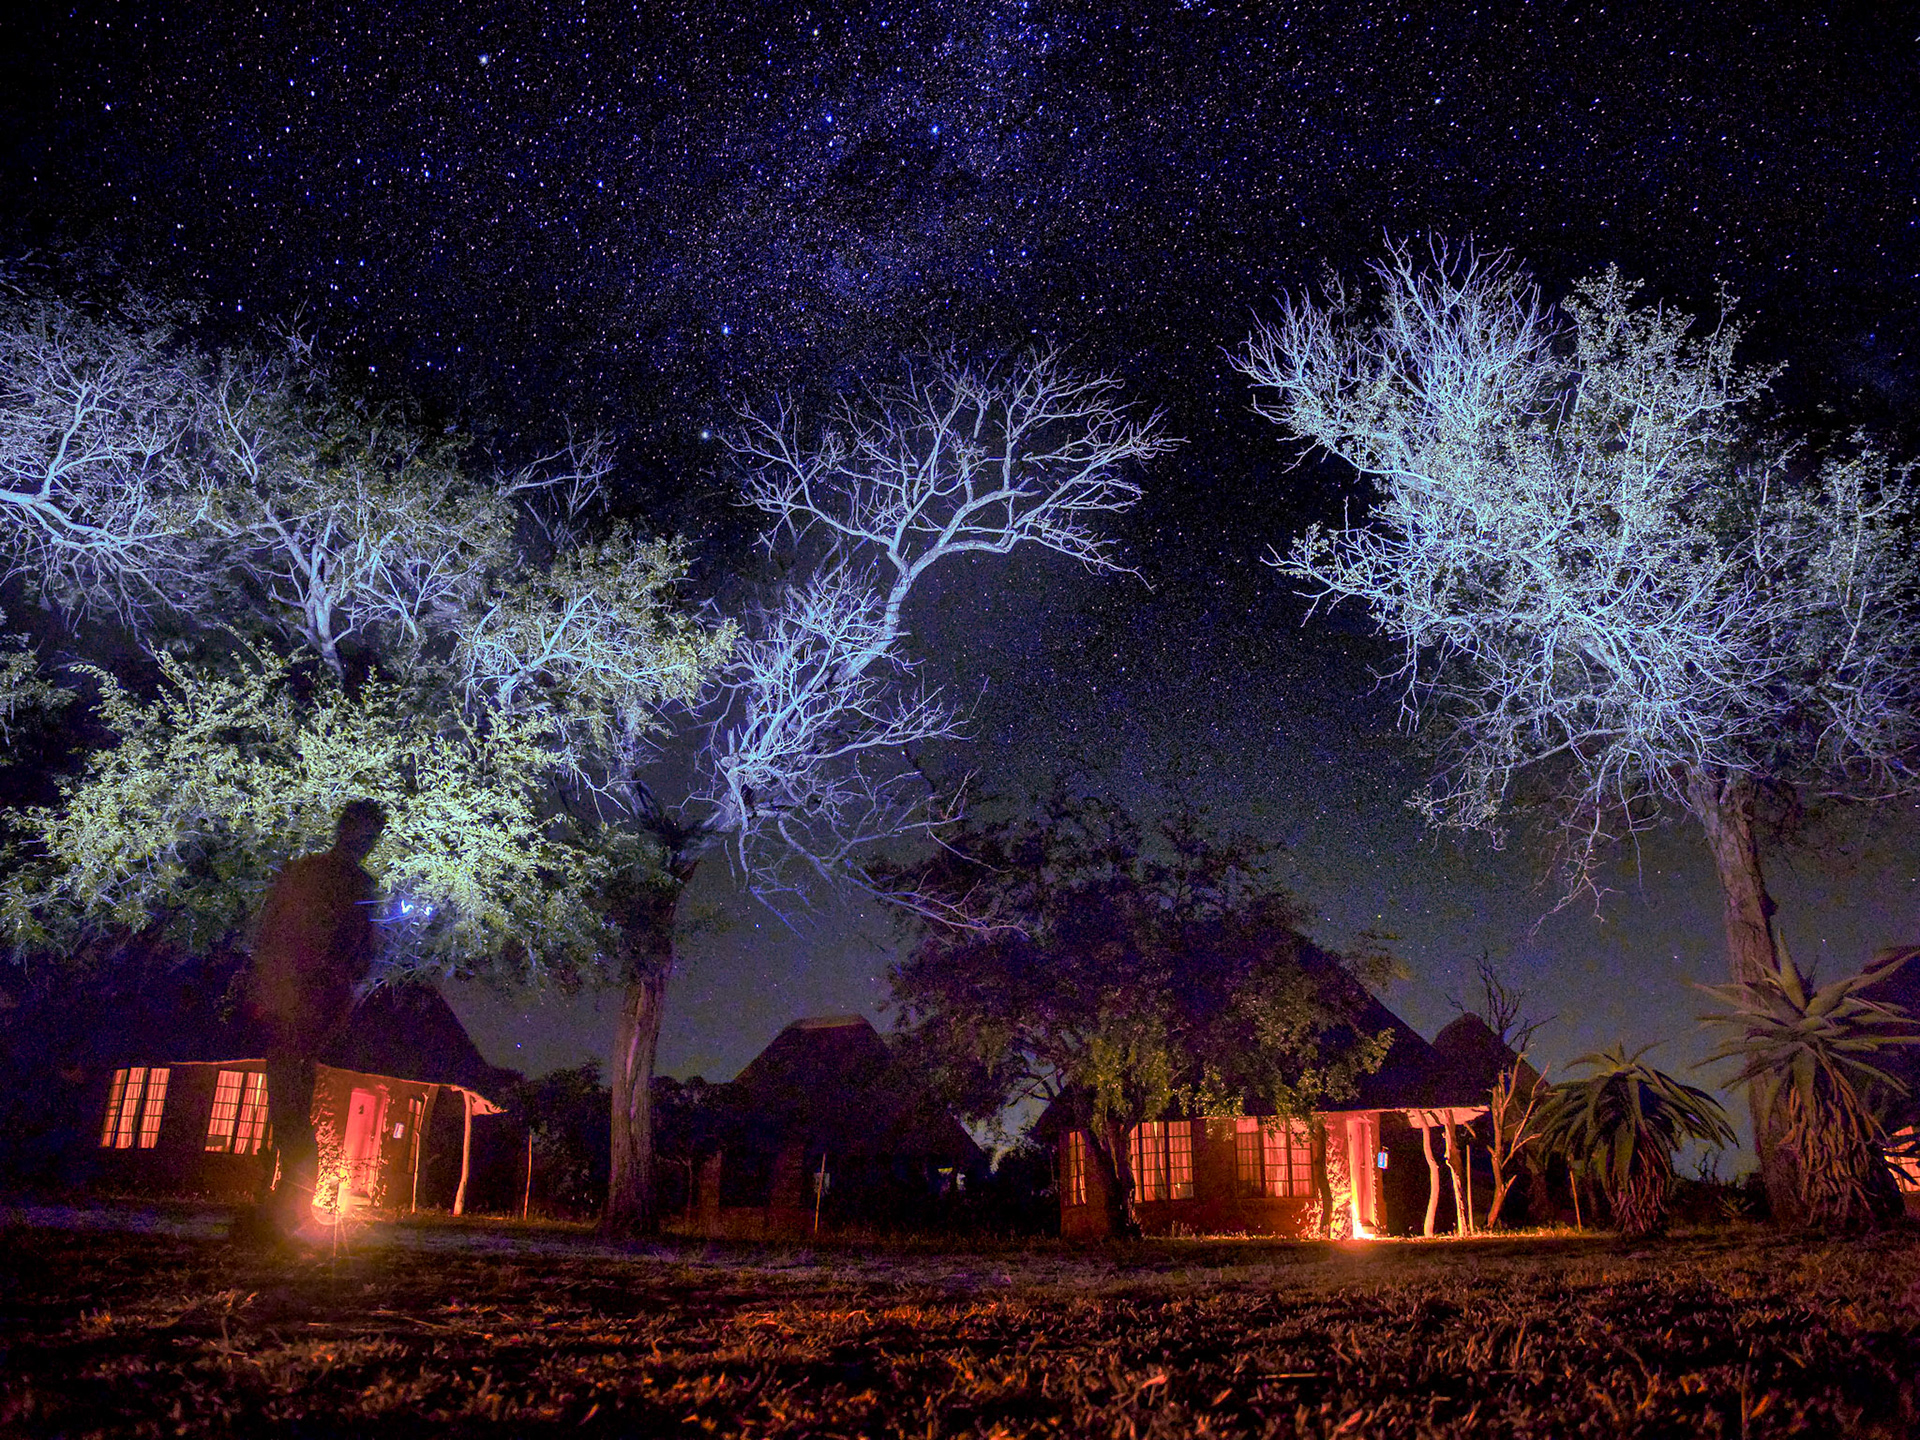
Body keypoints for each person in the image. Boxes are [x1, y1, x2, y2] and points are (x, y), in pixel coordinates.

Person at [240, 799, 388, 1242]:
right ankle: (287, 1204)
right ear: (347, 830)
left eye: (371, 837)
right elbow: (278, 932)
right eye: (363, 834)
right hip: (300, 997)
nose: (365, 843)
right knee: (289, 1099)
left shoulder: (333, 879)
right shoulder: (325, 878)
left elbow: (357, 950)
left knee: (290, 1098)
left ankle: (288, 1204)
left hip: (308, 1000)